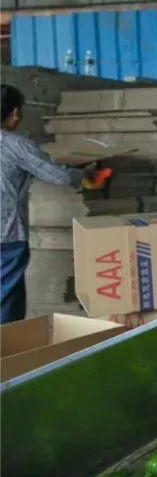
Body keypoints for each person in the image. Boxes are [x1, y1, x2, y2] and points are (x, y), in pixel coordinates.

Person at [1, 85, 99, 322]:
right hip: (7, 236)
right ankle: (7, 352)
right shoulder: (14, 144)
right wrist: (85, 174)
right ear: (15, 113)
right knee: (6, 298)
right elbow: (59, 175)